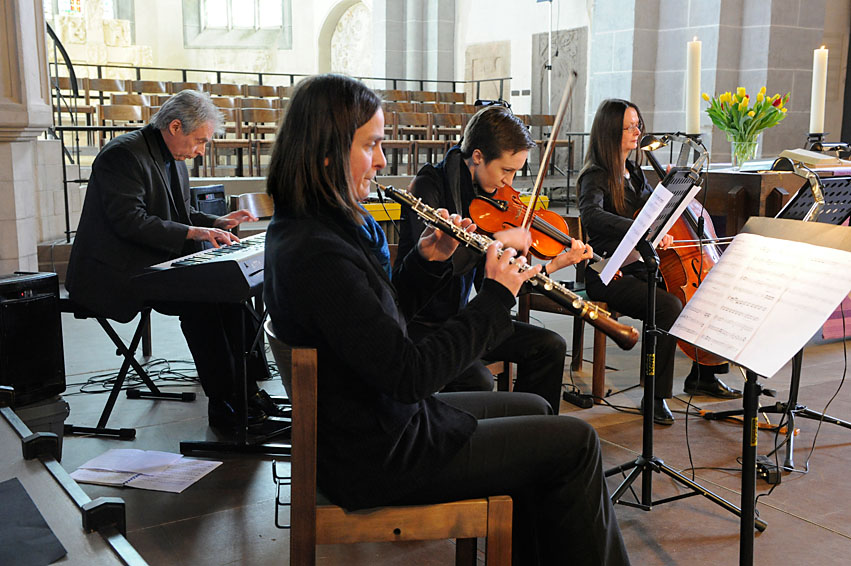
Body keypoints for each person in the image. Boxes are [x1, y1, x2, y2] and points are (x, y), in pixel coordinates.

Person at [263, 74, 630, 565]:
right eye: (371, 145)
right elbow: (409, 374)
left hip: (381, 428)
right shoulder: (318, 253)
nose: (382, 161)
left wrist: (425, 263)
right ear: (326, 151)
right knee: (578, 442)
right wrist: (497, 297)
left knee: (538, 411)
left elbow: (381, 324)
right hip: (382, 454)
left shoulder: (315, 228)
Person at [65, 89, 286, 435]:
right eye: (199, 141)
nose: (201, 151)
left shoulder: (173, 159)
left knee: (230, 295)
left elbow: (181, 215)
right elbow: (130, 221)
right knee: (202, 302)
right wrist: (194, 233)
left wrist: (214, 224)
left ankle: (244, 393)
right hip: (117, 273)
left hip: (156, 265)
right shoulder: (122, 156)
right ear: (175, 127)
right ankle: (224, 406)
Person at [396, 105, 594, 412]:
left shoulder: (488, 198)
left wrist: (555, 264)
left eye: (516, 172)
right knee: (478, 379)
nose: (509, 184)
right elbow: (438, 265)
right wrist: (497, 240)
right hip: (422, 323)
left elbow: (496, 283)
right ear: (477, 156)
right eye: (505, 170)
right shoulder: (429, 186)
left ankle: (531, 438)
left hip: (465, 316)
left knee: (550, 346)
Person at [577, 98, 742, 425]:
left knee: (705, 294)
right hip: (608, 270)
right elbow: (591, 215)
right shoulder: (594, 175)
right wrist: (641, 230)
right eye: (630, 126)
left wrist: (670, 203)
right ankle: (655, 397)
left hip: (638, 264)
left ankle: (704, 374)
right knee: (667, 306)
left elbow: (654, 208)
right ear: (611, 131)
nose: (638, 131)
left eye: (639, 124)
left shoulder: (634, 170)